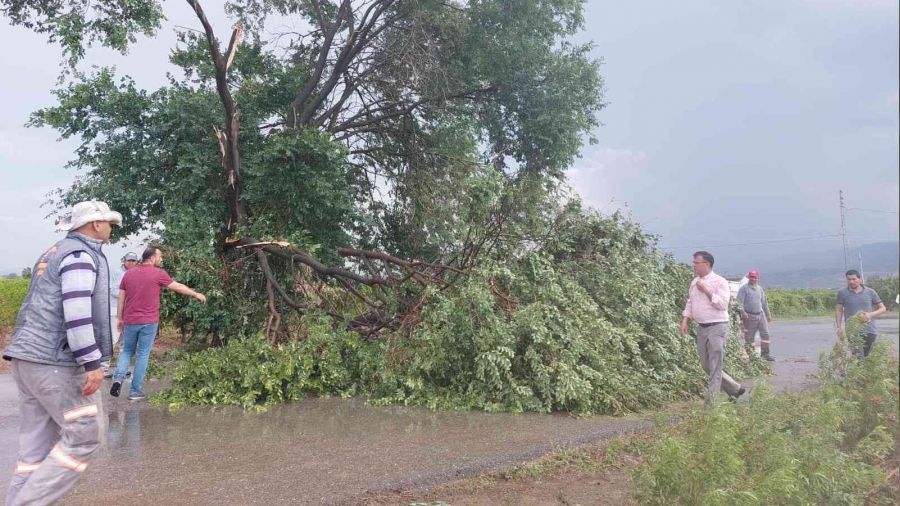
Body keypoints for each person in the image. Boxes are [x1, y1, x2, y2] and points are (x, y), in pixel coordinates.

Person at [2, 200, 121, 505]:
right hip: (54, 363)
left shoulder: (54, 251)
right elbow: (77, 310)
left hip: (27, 359)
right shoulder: (81, 255)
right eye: (109, 222)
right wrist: (91, 361)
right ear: (96, 224)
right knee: (85, 437)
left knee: (35, 451)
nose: (111, 228)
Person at [111, 246, 206, 400]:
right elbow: (178, 287)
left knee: (127, 351)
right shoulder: (158, 274)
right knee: (142, 354)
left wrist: (120, 318)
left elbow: (121, 298)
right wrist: (195, 294)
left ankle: (117, 379)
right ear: (152, 257)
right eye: (160, 256)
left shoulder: (128, 274)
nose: (162, 259)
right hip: (149, 322)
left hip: (130, 320)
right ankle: (134, 391)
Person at [680, 250, 746, 406]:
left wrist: (707, 291)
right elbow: (691, 302)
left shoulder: (720, 282)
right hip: (701, 327)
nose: (694, 266)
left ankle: (711, 405)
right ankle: (735, 389)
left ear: (707, 264)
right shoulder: (694, 282)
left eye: (696, 263)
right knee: (706, 365)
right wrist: (685, 319)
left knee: (715, 365)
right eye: (694, 263)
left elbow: (722, 304)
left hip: (717, 326)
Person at [835, 269, 886, 357]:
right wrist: (839, 327)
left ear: (860, 279)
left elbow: (883, 308)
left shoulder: (870, 292)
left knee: (867, 357)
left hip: (870, 330)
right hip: (852, 330)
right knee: (858, 357)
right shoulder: (842, 292)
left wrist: (870, 314)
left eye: (854, 279)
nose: (851, 281)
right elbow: (839, 310)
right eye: (849, 279)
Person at [104, 251, 139, 377]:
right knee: (112, 340)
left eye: (133, 261)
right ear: (123, 260)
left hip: (129, 312)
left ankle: (122, 369)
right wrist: (127, 295)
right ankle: (104, 368)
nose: (131, 263)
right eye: (129, 260)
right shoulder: (116, 272)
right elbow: (112, 290)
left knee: (127, 342)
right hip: (115, 312)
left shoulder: (136, 273)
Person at [736, 270, 775, 361]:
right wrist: (743, 312)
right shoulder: (744, 289)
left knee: (765, 334)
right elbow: (739, 303)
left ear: (758, 278)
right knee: (749, 337)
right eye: (751, 277)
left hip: (760, 315)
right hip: (749, 316)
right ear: (749, 278)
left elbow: (764, 303)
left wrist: (768, 315)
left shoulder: (760, 289)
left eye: (755, 277)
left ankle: (765, 354)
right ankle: (751, 356)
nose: (753, 279)